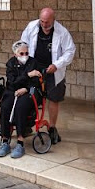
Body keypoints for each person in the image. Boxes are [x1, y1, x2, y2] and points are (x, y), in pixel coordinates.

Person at [20, 8, 76, 144]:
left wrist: (57, 64)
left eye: (47, 22)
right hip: (35, 69)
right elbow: (23, 44)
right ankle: (27, 124)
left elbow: (70, 51)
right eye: (42, 22)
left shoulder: (62, 32)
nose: (44, 25)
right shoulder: (32, 27)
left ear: (53, 20)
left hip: (53, 70)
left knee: (53, 98)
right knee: (31, 97)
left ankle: (52, 127)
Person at [0, 40, 42, 159]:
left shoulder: (33, 62)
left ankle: (20, 142)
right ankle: (5, 141)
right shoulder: (11, 64)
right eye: (21, 53)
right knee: (5, 106)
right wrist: (28, 75)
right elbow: (12, 82)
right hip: (13, 90)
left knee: (20, 107)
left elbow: (36, 81)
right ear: (15, 54)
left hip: (29, 91)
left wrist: (26, 89)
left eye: (26, 53)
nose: (24, 55)